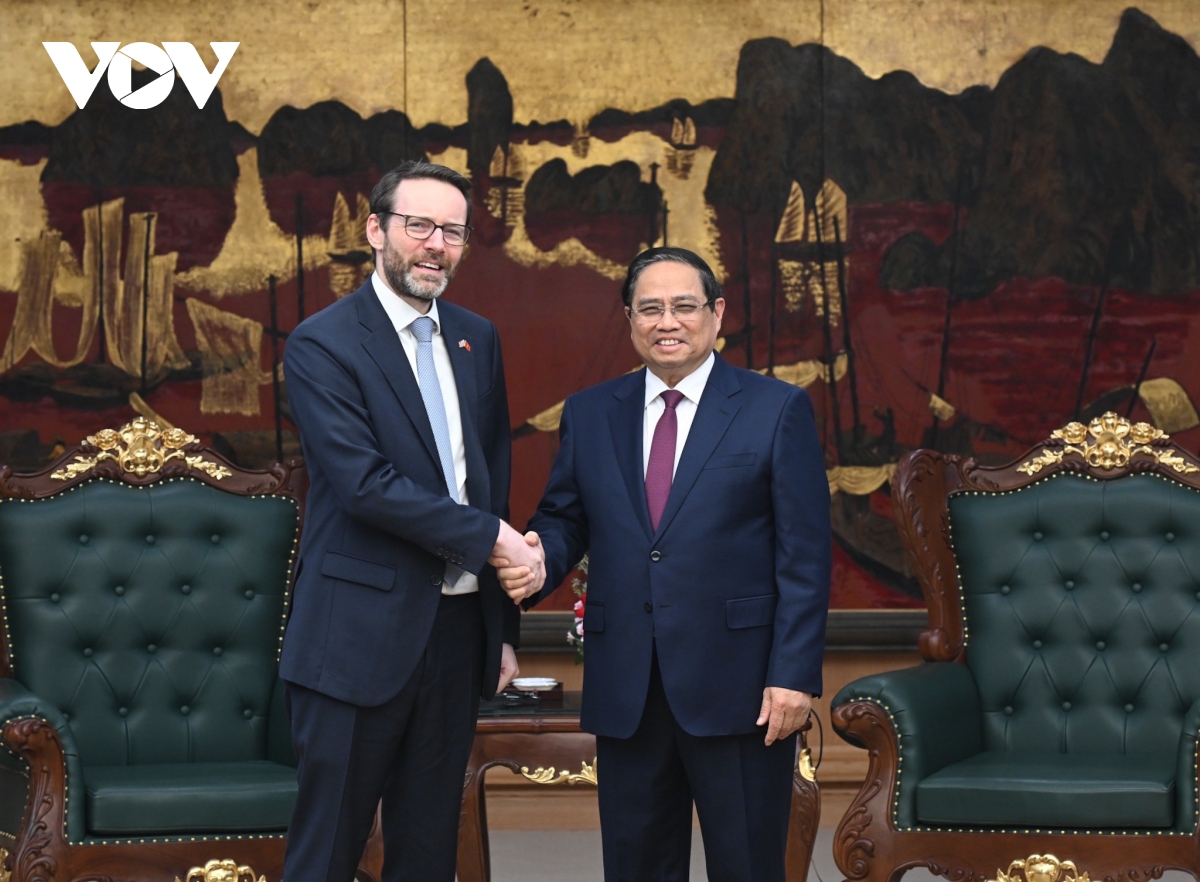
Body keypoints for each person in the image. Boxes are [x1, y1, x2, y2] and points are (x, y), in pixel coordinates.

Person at [496, 246, 831, 882]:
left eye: (684, 306)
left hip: (742, 688)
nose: (667, 322)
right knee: (636, 866)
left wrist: (794, 674)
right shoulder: (591, 412)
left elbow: (805, 557)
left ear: (717, 313)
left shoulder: (775, 408)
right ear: (629, 319)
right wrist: (535, 563)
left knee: (748, 866)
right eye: (650, 308)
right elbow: (565, 519)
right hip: (628, 686)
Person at [280, 160, 545, 882]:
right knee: (326, 855)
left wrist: (500, 628)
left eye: (453, 232)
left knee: (428, 854)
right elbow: (364, 485)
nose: (436, 245)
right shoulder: (323, 343)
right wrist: (492, 539)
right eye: (419, 225)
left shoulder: (476, 338)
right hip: (355, 638)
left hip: (457, 637)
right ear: (375, 230)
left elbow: (488, 481)